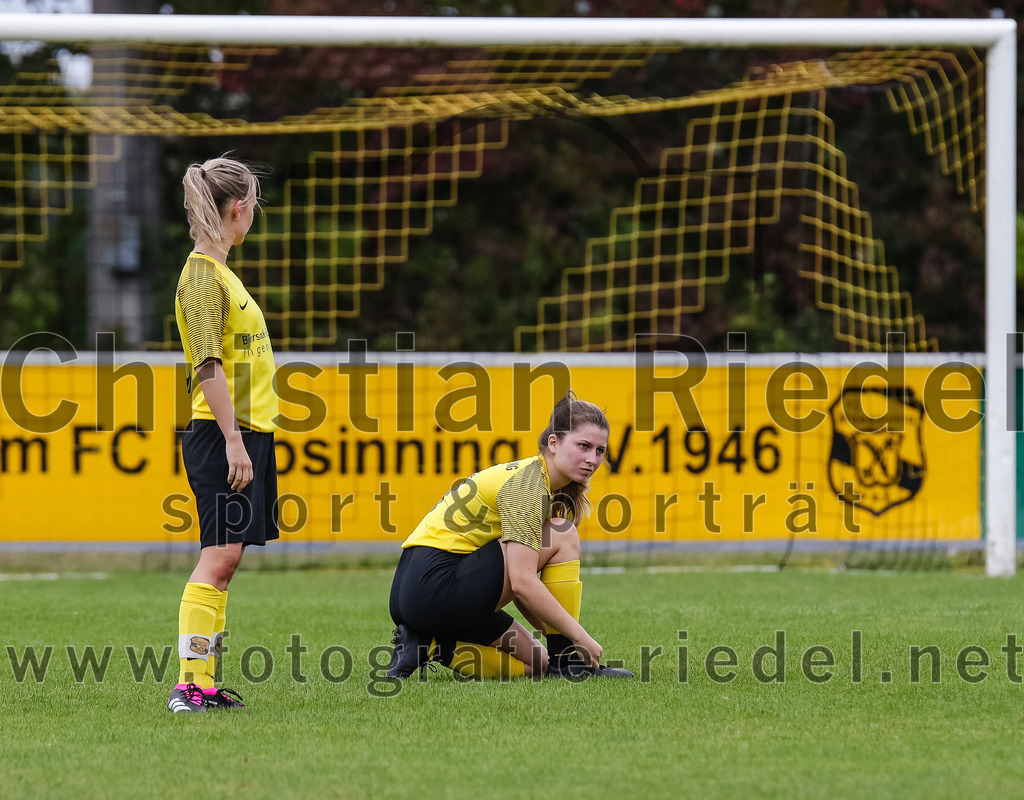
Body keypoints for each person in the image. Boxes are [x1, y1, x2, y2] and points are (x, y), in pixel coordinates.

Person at [386, 392, 633, 680]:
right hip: (436, 585)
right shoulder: (528, 486)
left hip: (414, 592)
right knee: (562, 534)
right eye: (584, 446)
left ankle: (430, 646)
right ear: (553, 443)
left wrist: (556, 632)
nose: (592, 459)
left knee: (537, 663)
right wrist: (581, 640)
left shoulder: (532, 477)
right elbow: (522, 582)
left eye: (600, 451)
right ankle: (569, 664)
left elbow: (516, 582)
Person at [167, 156, 278, 713]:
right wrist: (234, 439)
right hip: (222, 435)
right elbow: (207, 365)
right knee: (218, 557)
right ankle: (189, 685)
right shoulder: (202, 277)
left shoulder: (221, 273)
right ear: (238, 208)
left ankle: (203, 684)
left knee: (226, 558)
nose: (253, 213)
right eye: (253, 203)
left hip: (242, 433)